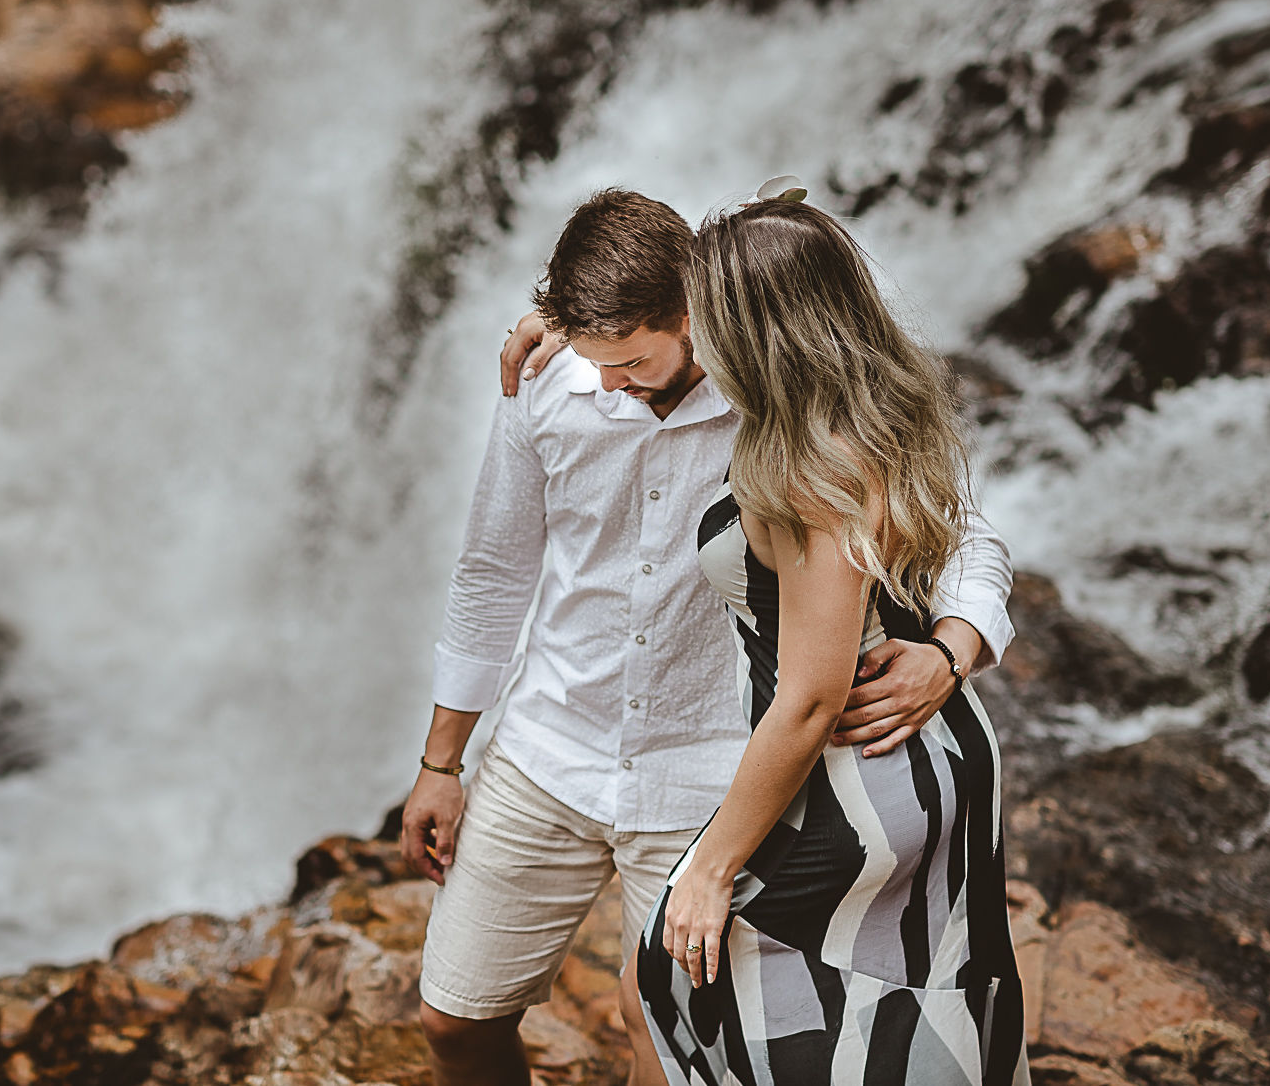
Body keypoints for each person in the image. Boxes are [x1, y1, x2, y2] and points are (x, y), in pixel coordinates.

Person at [398, 189, 1016, 1086]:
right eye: (590, 354)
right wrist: (440, 762)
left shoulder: (781, 396)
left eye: (635, 359)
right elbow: (493, 572)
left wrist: (952, 648)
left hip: (715, 778)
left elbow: (961, 531)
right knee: (453, 1018)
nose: (610, 380)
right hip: (548, 748)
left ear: (693, 316)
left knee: (676, 1041)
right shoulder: (548, 376)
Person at [634, 191, 1029, 1085]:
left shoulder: (813, 469)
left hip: (852, 774)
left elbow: (809, 698)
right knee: (906, 1003)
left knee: (695, 988)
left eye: (704, 317)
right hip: (927, 756)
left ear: (755, 330)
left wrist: (710, 869)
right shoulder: (879, 408)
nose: (693, 335)